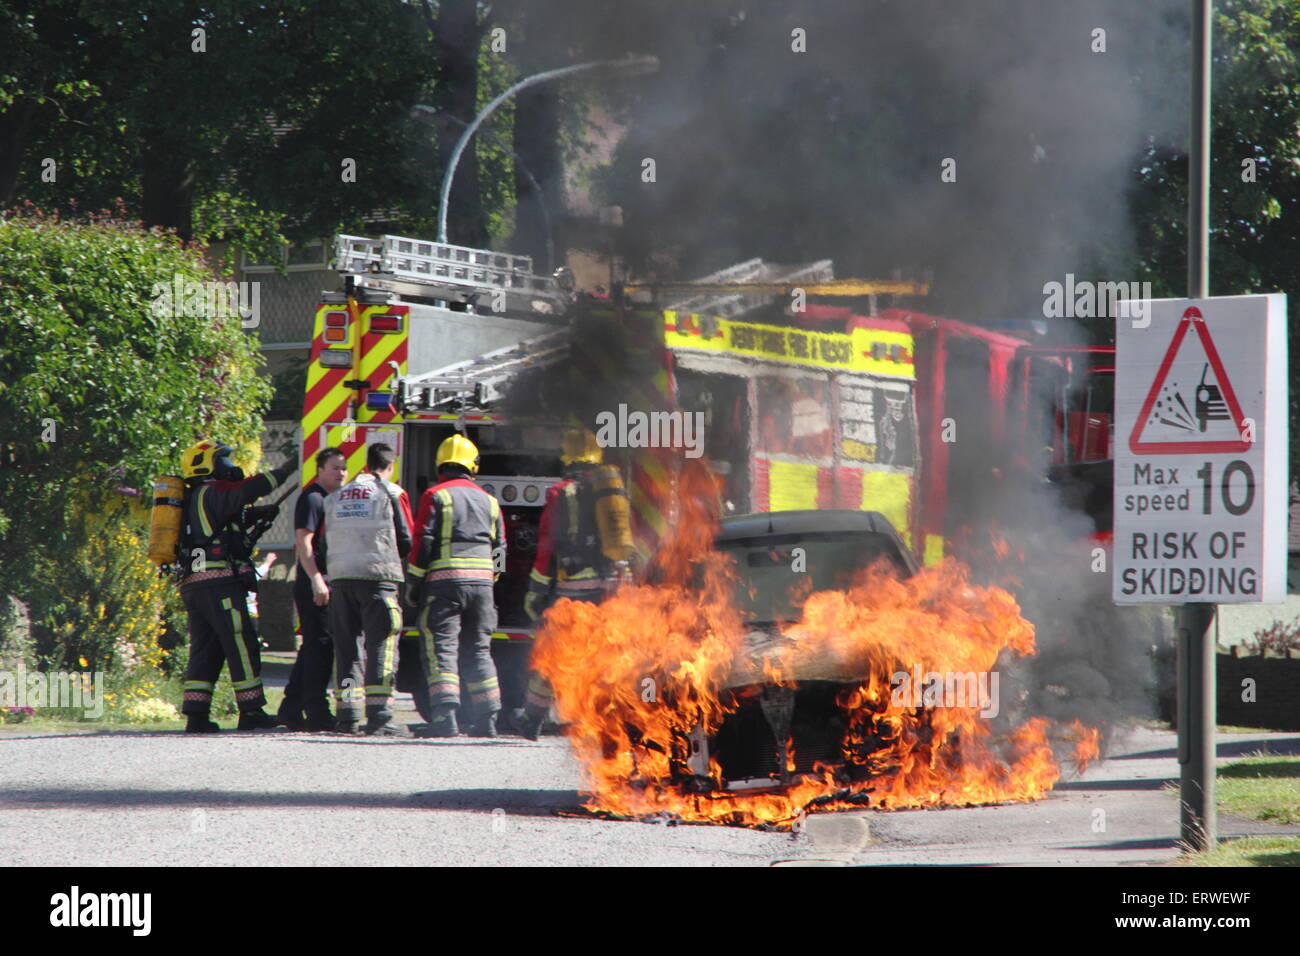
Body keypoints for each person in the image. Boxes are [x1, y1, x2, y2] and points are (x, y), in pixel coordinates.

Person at [177, 439, 295, 733]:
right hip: (219, 585)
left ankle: (197, 714)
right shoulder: (214, 490)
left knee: (207, 648)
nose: (230, 467)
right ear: (207, 464)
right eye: (223, 460)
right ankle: (252, 710)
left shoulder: (197, 497)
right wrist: (291, 467)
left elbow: (226, 522)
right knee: (241, 641)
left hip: (196, 585)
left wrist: (257, 515)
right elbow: (252, 488)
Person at [507, 428, 611, 740]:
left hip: (571, 592)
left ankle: (531, 719)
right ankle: (597, 722)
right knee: (599, 657)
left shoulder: (560, 492)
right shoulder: (610, 492)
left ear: (567, 458)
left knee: (553, 655)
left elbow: (547, 544)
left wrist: (536, 590)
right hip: (606, 591)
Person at [405, 434, 505, 738]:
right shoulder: (490, 500)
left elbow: (424, 542)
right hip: (483, 587)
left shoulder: (436, 495)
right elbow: (500, 546)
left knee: (443, 647)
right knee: (478, 649)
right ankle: (487, 720)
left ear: (440, 465)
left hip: (444, 586)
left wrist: (414, 580)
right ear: (472, 466)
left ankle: (445, 718)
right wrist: (492, 579)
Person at [323, 443, 413, 735]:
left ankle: (347, 716)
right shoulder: (392, 493)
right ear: (391, 465)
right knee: (381, 646)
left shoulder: (338, 495)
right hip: (378, 580)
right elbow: (407, 539)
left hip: (340, 579)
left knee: (347, 649)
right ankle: (380, 717)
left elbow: (326, 540)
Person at [277, 446, 347, 732]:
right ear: (320, 469)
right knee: (320, 647)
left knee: (314, 648)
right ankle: (317, 711)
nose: (341, 473)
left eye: (344, 467)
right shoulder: (313, 498)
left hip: (326, 583)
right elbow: (303, 544)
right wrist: (317, 579)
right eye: (335, 468)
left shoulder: (330, 500)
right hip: (314, 584)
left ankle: (290, 708)